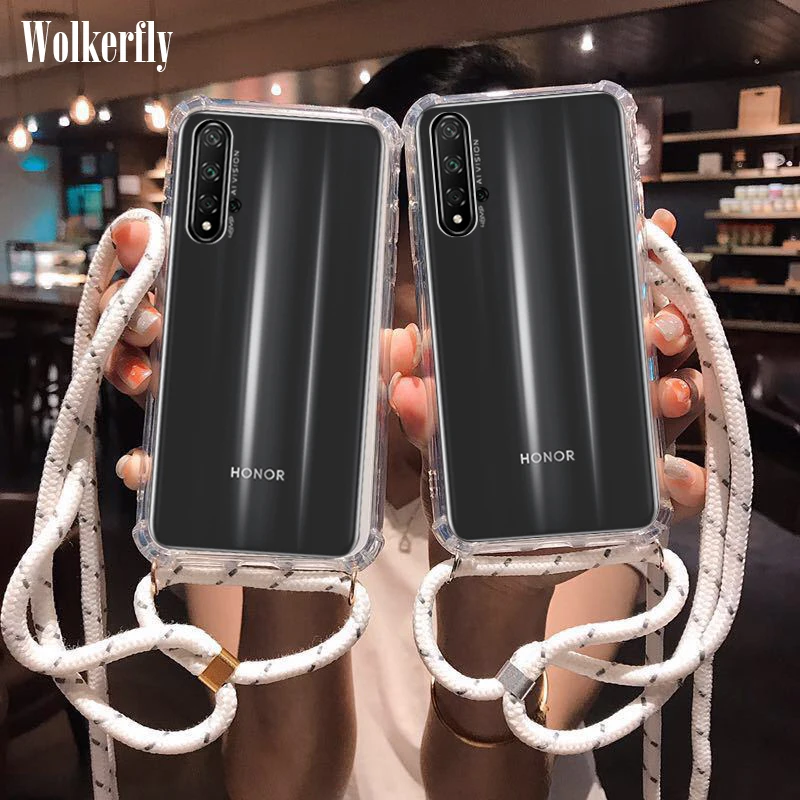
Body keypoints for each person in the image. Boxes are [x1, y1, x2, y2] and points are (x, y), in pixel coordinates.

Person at [106, 45, 706, 800]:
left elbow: (494, 783)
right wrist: (289, 478)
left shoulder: (584, 465)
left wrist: (496, 588)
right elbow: (278, 781)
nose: (458, 286)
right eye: (409, 233)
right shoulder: (254, 457)